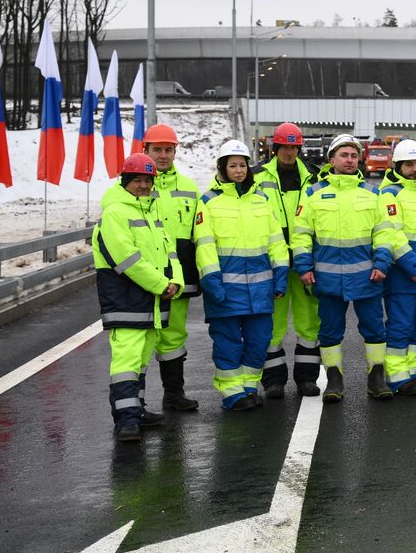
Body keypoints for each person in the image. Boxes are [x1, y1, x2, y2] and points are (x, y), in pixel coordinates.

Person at [291, 133, 416, 403]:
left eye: (353, 156)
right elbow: (301, 234)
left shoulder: (372, 193)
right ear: (332, 160)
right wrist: (304, 267)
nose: (349, 160)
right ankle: (334, 380)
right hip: (327, 279)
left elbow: (385, 232)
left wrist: (382, 264)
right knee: (329, 331)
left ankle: (376, 379)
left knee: (375, 330)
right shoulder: (313, 194)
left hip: (367, 278)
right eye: (344, 155)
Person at [92, 153, 182, 443]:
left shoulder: (150, 211)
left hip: (150, 303)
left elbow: (170, 253)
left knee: (141, 361)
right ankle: (126, 420)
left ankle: (137, 411)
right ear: (126, 182)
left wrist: (176, 281)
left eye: (147, 180)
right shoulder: (116, 213)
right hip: (126, 301)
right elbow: (126, 260)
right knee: (127, 362)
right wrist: (160, 284)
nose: (143, 186)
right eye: (138, 180)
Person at [195, 140, 289, 410]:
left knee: (260, 342)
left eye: (243, 165)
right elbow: (204, 246)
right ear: (222, 168)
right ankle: (232, 393)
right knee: (228, 344)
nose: (239, 170)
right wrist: (213, 284)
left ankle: (248, 388)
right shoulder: (209, 203)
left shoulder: (262, 200)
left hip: (260, 291)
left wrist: (281, 276)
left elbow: (276, 243)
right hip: (224, 290)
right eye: (233, 165)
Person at [254, 121, 323, 397]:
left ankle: (307, 378)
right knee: (273, 322)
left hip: (306, 260)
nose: (289, 153)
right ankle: (273, 381)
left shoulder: (315, 177)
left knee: (309, 321)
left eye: (294, 147)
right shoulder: (257, 177)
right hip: (274, 262)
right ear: (275, 148)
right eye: (284, 147)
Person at [142, 123, 201, 412]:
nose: (162, 156)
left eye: (168, 150)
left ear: (175, 151)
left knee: (174, 334)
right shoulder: (134, 185)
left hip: (179, 275)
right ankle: (135, 402)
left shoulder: (190, 188)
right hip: (141, 274)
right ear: (146, 151)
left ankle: (173, 394)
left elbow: (199, 233)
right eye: (157, 150)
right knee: (141, 334)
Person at [377, 139, 416, 396]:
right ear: (397, 166)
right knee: (400, 326)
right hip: (403, 274)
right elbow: (393, 233)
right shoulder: (390, 193)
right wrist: (412, 266)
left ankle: (410, 372)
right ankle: (397, 378)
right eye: (408, 164)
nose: (414, 169)